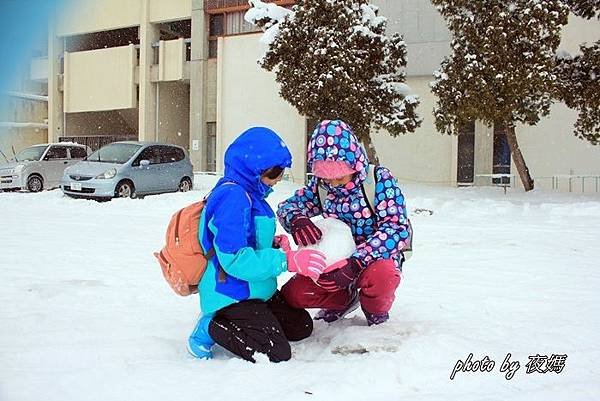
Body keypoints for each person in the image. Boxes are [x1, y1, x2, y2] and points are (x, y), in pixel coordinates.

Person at [187, 126, 327, 362]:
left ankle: (250, 319)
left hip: (257, 289)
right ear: (252, 170)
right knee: (276, 352)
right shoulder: (232, 197)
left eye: (281, 174)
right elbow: (234, 258)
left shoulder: (252, 194)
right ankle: (211, 325)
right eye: (273, 174)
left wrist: (271, 243)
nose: (276, 181)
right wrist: (287, 260)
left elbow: (247, 236)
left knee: (300, 326)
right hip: (232, 292)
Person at [277, 119, 410, 326]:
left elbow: (396, 228)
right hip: (333, 263)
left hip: (373, 260)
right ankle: (342, 300)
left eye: (339, 177)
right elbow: (286, 206)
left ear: (354, 163)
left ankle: (374, 309)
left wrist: (357, 262)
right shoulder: (321, 186)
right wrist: (296, 219)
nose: (334, 184)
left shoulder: (378, 180)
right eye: (328, 178)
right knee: (295, 293)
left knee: (383, 274)